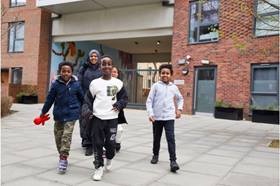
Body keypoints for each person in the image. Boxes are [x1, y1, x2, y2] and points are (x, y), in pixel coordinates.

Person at [85, 55, 128, 181]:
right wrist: (87, 112)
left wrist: (119, 105)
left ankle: (109, 158)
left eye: (109, 64)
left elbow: (124, 98)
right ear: (100, 66)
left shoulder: (118, 83)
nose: (106, 66)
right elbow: (87, 100)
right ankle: (98, 167)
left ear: (112, 66)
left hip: (112, 119)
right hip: (97, 118)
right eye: (104, 64)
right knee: (97, 144)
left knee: (110, 144)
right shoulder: (95, 83)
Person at [40, 61, 84, 174]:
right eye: (63, 71)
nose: (66, 73)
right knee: (58, 137)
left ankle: (63, 158)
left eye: (68, 71)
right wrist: (43, 112)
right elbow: (49, 99)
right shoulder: (55, 84)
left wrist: (85, 110)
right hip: (59, 114)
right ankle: (62, 154)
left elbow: (82, 98)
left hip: (72, 114)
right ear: (60, 72)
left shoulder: (76, 84)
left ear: (71, 73)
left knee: (66, 136)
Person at [146, 64, 184, 173]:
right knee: (156, 137)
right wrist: (151, 114)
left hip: (169, 117)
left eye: (167, 73)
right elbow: (149, 101)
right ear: (160, 74)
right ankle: (155, 155)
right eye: (163, 73)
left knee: (171, 139)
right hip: (156, 118)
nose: (165, 75)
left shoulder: (174, 87)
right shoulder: (155, 86)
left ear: (171, 75)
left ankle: (173, 161)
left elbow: (180, 99)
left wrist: (179, 109)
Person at [78, 49, 102, 156]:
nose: (93, 58)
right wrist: (81, 97)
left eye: (95, 56)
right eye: (92, 56)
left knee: (97, 121)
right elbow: (79, 82)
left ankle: (95, 142)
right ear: (89, 57)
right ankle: (87, 143)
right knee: (85, 120)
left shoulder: (101, 69)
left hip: (98, 99)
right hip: (85, 98)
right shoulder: (84, 68)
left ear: (98, 58)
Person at [111, 66, 128, 152]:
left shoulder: (120, 84)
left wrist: (119, 105)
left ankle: (117, 143)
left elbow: (124, 98)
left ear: (117, 74)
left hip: (117, 111)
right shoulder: (103, 82)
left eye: (115, 72)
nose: (113, 73)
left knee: (119, 129)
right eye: (111, 71)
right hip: (105, 111)